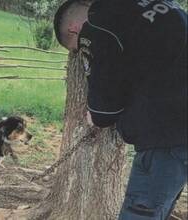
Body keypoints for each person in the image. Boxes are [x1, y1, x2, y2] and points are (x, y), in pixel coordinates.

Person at [53, 0, 187, 219]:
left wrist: (94, 115)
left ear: (74, 30)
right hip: (178, 131)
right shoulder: (152, 8)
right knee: (158, 210)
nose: (81, 51)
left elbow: (104, 111)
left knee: (140, 213)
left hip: (166, 138)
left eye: (76, 48)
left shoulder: (96, 26)